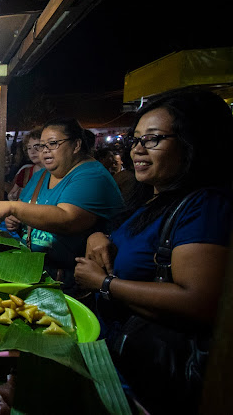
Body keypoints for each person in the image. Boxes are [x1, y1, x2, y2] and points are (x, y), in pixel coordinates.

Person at [74, 88, 233, 414]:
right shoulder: (148, 198)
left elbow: (198, 302)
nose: (137, 150)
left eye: (154, 139)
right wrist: (98, 235)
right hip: (115, 354)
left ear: (194, 142)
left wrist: (104, 284)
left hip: (150, 378)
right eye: (135, 139)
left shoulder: (205, 206)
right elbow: (133, 242)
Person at [0, 118, 123, 291]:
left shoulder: (91, 175)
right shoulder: (40, 176)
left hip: (67, 281)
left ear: (76, 145)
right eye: (41, 146)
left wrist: (14, 207)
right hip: (33, 270)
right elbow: (28, 210)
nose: (45, 151)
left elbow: (67, 219)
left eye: (53, 144)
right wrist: (16, 220)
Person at [8, 129, 44, 201]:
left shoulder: (55, 173)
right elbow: (11, 194)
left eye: (37, 146)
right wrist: (13, 196)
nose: (32, 152)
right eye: (29, 148)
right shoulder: (25, 172)